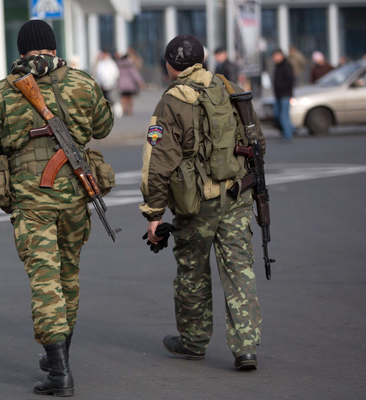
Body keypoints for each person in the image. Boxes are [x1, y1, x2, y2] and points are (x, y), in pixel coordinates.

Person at [0, 19, 113, 396]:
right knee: (67, 277)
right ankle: (58, 359)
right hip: (74, 198)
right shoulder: (82, 82)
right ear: (54, 47)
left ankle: (59, 373)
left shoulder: (5, 91)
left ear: (21, 51)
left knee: (44, 280)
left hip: (31, 199)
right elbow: (104, 126)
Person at [140, 34, 265, 371]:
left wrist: (153, 214)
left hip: (197, 205)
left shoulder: (171, 102)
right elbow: (257, 141)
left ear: (169, 66)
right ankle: (246, 348)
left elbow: (158, 163)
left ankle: (193, 342)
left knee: (193, 274)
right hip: (237, 196)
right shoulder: (229, 86)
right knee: (239, 270)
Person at [272, 48, 295, 141]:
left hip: (285, 94)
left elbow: (291, 80)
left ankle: (288, 134)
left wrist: (282, 87)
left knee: (284, 116)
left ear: (280, 55)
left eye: (275, 56)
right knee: (277, 115)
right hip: (278, 95)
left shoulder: (286, 65)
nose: (274, 58)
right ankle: (291, 129)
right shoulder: (278, 66)